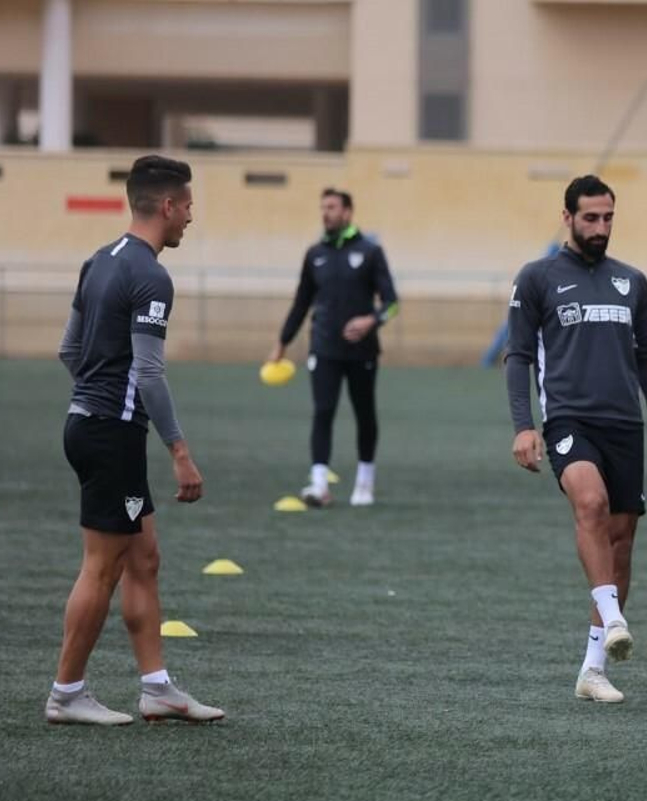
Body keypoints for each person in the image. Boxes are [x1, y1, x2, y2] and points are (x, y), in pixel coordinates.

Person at [46, 155, 225, 726]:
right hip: (111, 436)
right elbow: (148, 374)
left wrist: (95, 400)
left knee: (143, 558)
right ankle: (66, 693)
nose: (191, 219)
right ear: (167, 206)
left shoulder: (98, 262)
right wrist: (180, 452)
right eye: (189, 207)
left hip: (89, 426)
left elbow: (68, 352)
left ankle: (157, 689)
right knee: (102, 567)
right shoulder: (151, 276)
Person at [504, 175, 647, 704]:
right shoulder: (538, 278)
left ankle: (593, 670)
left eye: (608, 219)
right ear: (568, 217)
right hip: (568, 421)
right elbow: (519, 356)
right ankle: (616, 617)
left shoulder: (633, 282)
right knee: (591, 504)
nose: (600, 228)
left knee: (621, 543)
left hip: (624, 424)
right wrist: (524, 425)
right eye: (591, 218)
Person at [266, 187, 400, 507]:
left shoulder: (370, 251)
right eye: (323, 207)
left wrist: (372, 321)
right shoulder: (315, 254)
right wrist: (282, 342)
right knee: (323, 411)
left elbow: (392, 303)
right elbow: (301, 302)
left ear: (348, 212)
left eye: (332, 207)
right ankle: (318, 485)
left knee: (364, 413)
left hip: (362, 352)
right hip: (323, 348)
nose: (326, 212)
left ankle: (365, 482)